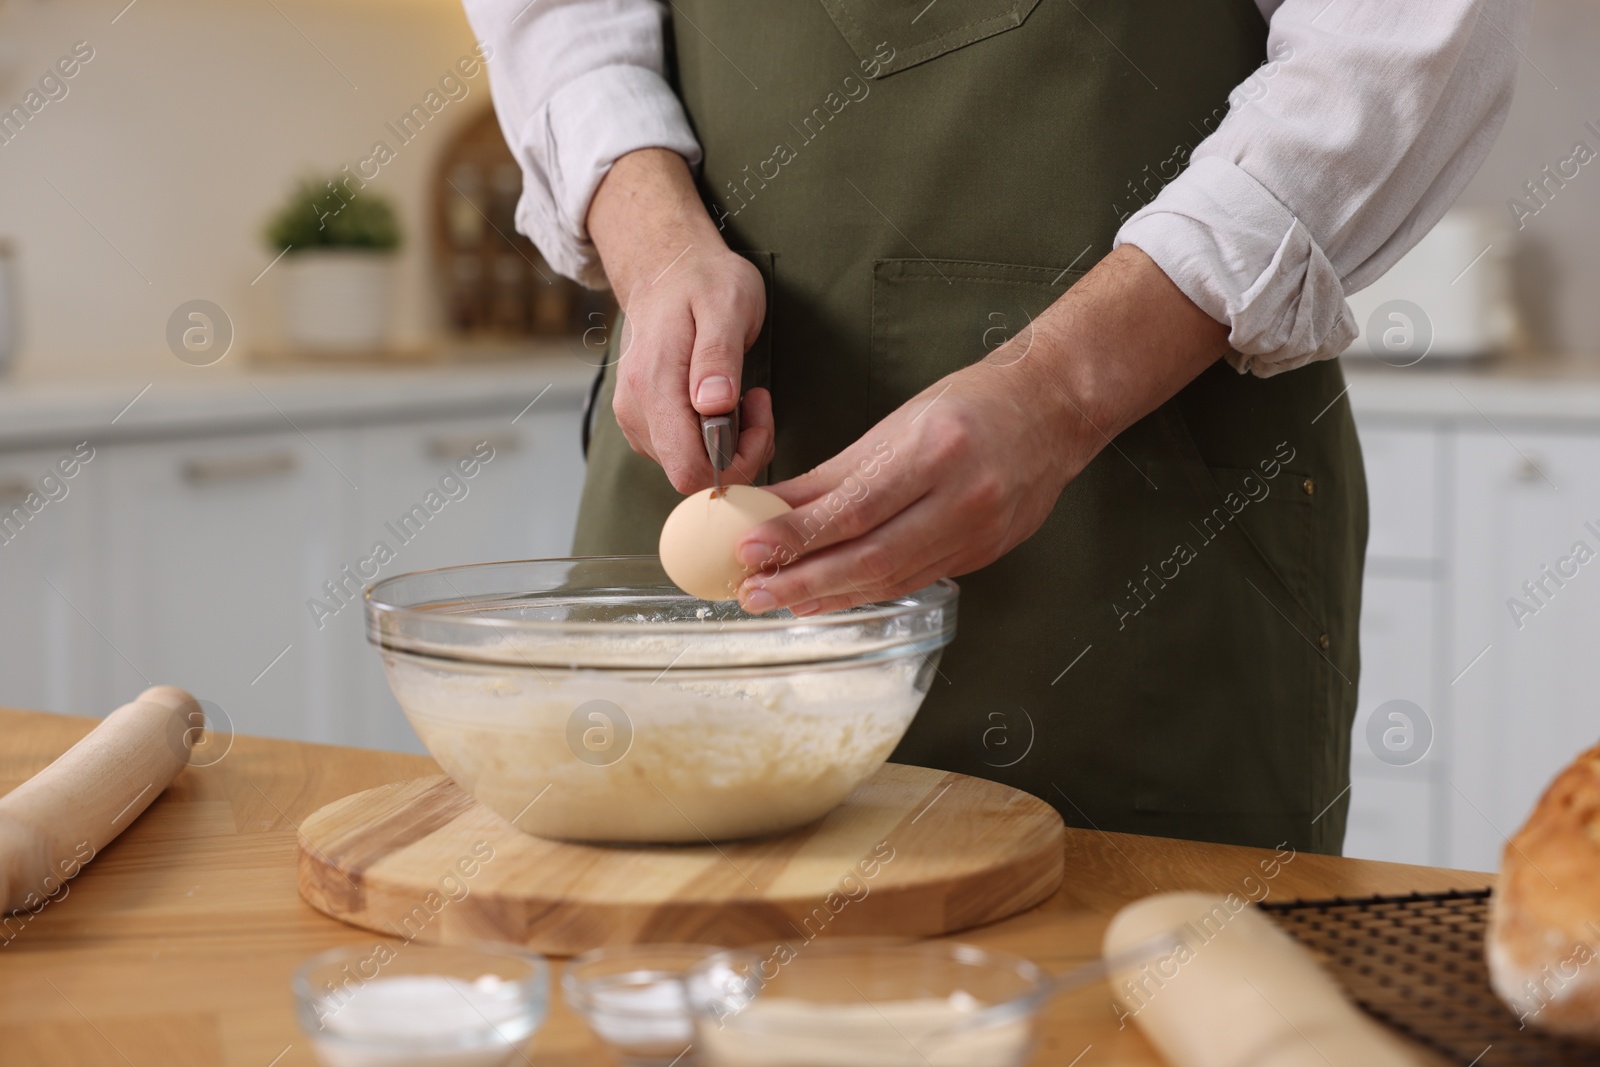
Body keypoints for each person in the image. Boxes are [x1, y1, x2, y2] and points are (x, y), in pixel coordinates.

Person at [463, 0, 1529, 852]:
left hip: (1140, 536)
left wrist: (1061, 388)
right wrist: (651, 242)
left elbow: (1396, 46)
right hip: (689, 479)